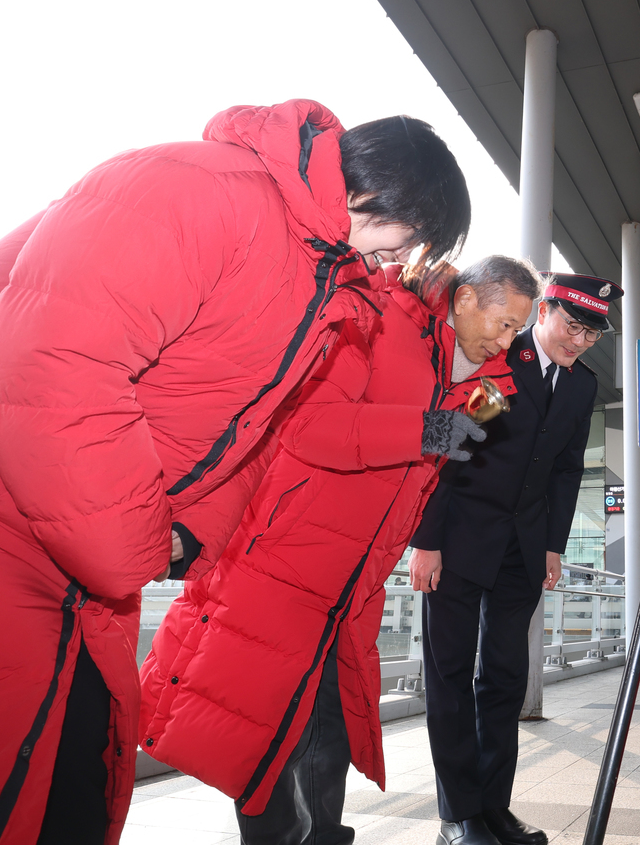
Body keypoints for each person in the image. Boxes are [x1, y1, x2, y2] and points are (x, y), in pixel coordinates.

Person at [0, 100, 470, 844]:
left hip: (75, 547)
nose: (394, 265)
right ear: (378, 197)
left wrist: (187, 530)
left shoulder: (327, 285)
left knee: (74, 778)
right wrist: (133, 542)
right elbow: (57, 357)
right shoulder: (204, 190)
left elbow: (252, 432)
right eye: (400, 243)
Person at [138, 256, 539, 842]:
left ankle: (324, 835)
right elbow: (311, 427)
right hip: (285, 556)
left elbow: (433, 475)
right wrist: (426, 430)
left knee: (328, 729)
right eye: (502, 323)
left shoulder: (494, 385)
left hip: (354, 581)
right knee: (264, 729)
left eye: (516, 330)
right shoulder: (381, 321)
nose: (506, 340)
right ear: (466, 299)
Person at [410, 273, 622, 845]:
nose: (579, 342)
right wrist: (425, 540)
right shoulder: (502, 362)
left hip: (522, 549)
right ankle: (458, 814)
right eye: (572, 326)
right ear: (544, 310)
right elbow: (446, 445)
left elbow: (566, 469)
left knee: (504, 677)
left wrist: (553, 542)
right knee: (450, 674)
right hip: (457, 541)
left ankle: (494, 809)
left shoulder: (582, 388)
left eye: (592, 335)